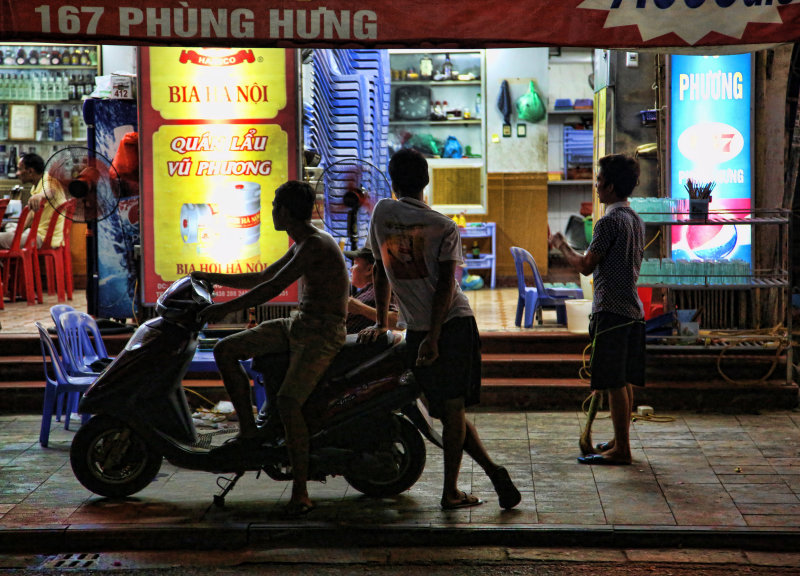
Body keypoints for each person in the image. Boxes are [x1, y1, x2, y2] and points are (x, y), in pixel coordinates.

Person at [359, 148, 521, 510]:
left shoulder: (382, 212)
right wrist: (386, 325)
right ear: (426, 181)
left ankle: (451, 491)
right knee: (449, 413)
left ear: (392, 180)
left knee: (450, 411)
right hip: (437, 328)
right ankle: (494, 473)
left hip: (446, 327)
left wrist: (410, 331)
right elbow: (441, 282)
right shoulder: (443, 226)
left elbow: (380, 271)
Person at [191, 180, 349, 517]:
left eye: (276, 206)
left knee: (289, 401)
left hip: (322, 332)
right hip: (300, 324)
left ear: (288, 212)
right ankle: (249, 431)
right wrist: (211, 276)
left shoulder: (315, 244)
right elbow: (261, 277)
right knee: (226, 350)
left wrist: (222, 309)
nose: (272, 211)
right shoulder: (303, 241)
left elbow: (272, 288)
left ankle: (302, 492)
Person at [550, 153, 646, 466]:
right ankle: (621, 440)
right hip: (632, 309)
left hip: (612, 311)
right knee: (624, 380)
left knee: (615, 382)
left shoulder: (608, 222)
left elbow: (586, 266)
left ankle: (622, 451)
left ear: (612, 186)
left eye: (601, 180)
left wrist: (562, 245)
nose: (597, 184)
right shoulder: (634, 219)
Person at [0, 153, 66, 249]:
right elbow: (31, 215)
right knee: (9, 225)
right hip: (37, 233)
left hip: (42, 238)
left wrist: (40, 196)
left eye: (19, 169)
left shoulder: (49, 181)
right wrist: (19, 230)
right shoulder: (37, 185)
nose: (17, 174)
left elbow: (52, 191)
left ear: (30, 171)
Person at [343, 246, 399, 334]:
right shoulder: (368, 289)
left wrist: (361, 308)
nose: (351, 268)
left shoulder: (385, 291)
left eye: (355, 264)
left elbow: (397, 322)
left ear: (369, 269)